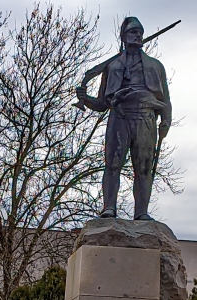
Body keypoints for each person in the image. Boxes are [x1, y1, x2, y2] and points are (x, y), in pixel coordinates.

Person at [75, 17, 172, 221]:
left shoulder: (155, 66)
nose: (137, 35)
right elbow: (102, 104)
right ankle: (109, 208)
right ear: (124, 36)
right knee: (112, 164)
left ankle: (141, 213)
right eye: (133, 31)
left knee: (143, 167)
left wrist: (166, 120)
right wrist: (86, 99)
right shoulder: (112, 66)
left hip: (145, 117)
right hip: (119, 116)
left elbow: (165, 99)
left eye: (140, 32)